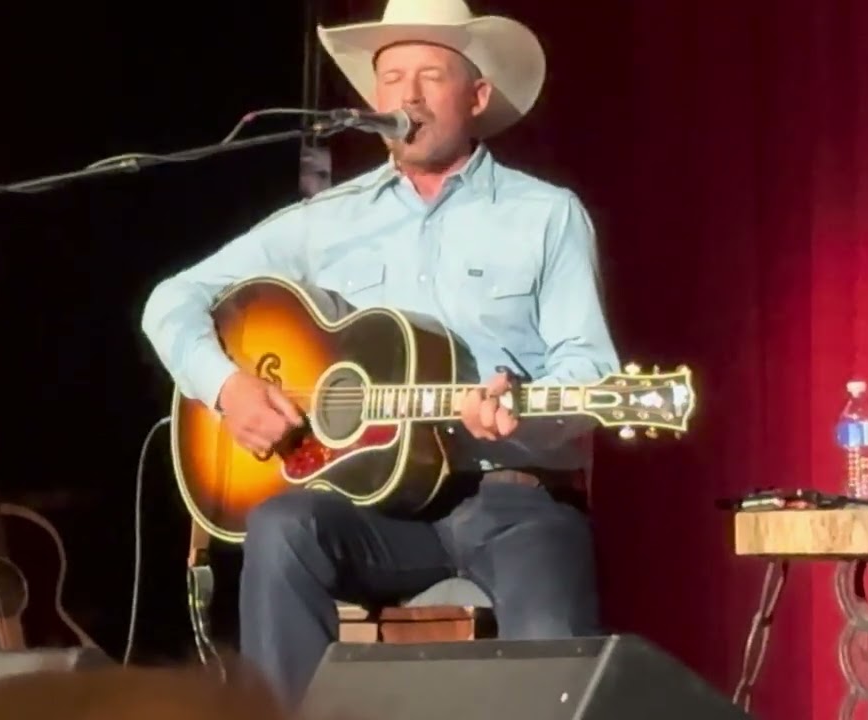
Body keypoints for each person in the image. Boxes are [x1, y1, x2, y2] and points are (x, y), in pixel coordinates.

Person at [141, 0, 620, 707]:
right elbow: (171, 300)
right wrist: (226, 388)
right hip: (376, 508)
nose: (408, 95)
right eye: (391, 76)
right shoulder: (324, 223)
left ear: (477, 96)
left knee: (552, 659)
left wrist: (519, 412)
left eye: (431, 75)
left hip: (511, 501)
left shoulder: (545, 215)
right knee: (282, 526)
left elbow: (592, 376)